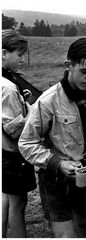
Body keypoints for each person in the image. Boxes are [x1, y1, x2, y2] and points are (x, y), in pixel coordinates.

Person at [18, 38, 86, 238]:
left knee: (84, 226)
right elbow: (26, 143)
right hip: (55, 178)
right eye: (84, 72)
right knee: (66, 235)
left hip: (85, 171)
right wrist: (58, 163)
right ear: (69, 66)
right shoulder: (48, 101)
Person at [2, 29, 37, 237]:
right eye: (19, 54)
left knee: (7, 198)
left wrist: (22, 102)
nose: (22, 60)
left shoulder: (7, 83)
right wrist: (32, 110)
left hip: (3, 155)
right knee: (19, 205)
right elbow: (15, 131)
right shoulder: (7, 87)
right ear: (4, 53)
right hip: (13, 156)